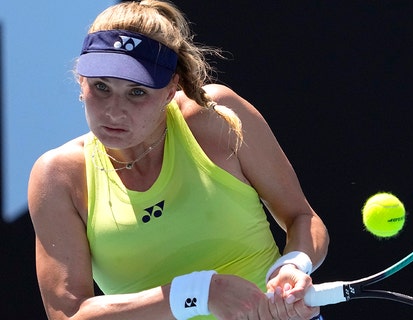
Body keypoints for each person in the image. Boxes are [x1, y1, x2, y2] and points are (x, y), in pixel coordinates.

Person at [27, 1, 329, 319]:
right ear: (80, 82)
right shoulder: (58, 176)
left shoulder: (217, 117)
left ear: (172, 88)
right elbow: (67, 314)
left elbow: (302, 217)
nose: (114, 111)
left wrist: (293, 264)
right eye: (101, 87)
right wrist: (200, 293)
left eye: (137, 92)